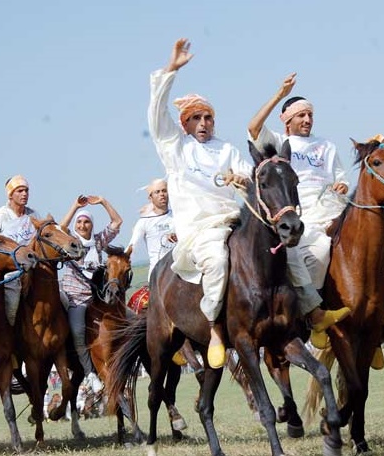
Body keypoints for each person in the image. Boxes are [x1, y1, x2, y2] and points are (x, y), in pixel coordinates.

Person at [148, 40, 349, 369]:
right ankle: (214, 329)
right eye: (196, 118)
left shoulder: (227, 149)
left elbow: (253, 174)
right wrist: (170, 71)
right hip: (201, 231)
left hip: (234, 223)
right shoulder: (175, 147)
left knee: (290, 252)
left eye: (208, 117)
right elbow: (157, 114)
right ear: (183, 124)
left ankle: (314, 312)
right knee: (216, 260)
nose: (203, 123)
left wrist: (243, 179)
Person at [247, 72, 353, 351]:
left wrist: (342, 184)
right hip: (297, 213)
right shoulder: (282, 144)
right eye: (301, 116)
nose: (307, 120)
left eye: (310, 115)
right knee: (317, 252)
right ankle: (313, 316)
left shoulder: (327, 146)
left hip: (330, 207)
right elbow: (254, 127)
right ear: (287, 120)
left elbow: (340, 176)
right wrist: (279, 95)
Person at [59, 194, 122, 394]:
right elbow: (60, 228)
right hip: (75, 299)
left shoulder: (98, 242)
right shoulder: (69, 242)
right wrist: (75, 207)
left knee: (129, 320)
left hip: (97, 298)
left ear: (91, 225)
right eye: (80, 222)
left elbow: (117, 221)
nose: (83, 225)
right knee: (77, 332)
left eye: (86, 222)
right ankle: (90, 373)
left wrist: (103, 201)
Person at [0, 175, 39, 325]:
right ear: (10, 194)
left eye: (26, 190)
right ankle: (10, 325)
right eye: (20, 191)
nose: (24, 194)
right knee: (12, 287)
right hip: (11, 266)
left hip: (35, 264)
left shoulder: (33, 215)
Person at [127, 178, 176, 276]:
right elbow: (132, 246)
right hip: (158, 274)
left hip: (180, 269)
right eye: (157, 192)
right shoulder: (144, 222)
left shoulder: (178, 216)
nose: (162, 194)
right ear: (150, 197)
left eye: (164, 191)